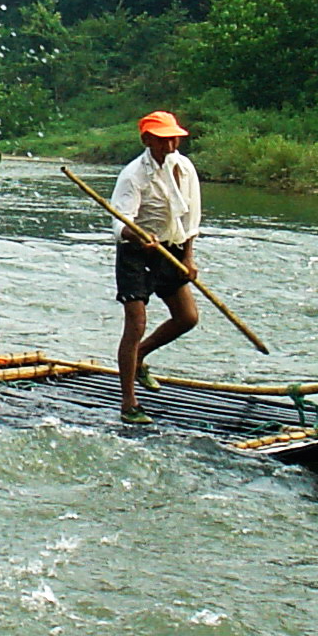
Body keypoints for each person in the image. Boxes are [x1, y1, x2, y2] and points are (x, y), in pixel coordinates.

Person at [111, 110, 202, 424]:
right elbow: (119, 225)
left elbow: (191, 220)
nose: (171, 144)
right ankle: (128, 403)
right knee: (135, 323)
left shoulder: (185, 168)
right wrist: (136, 236)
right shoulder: (133, 175)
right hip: (136, 253)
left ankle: (140, 358)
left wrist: (188, 259)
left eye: (174, 138)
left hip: (171, 249)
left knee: (187, 317)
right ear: (147, 140)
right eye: (163, 140)